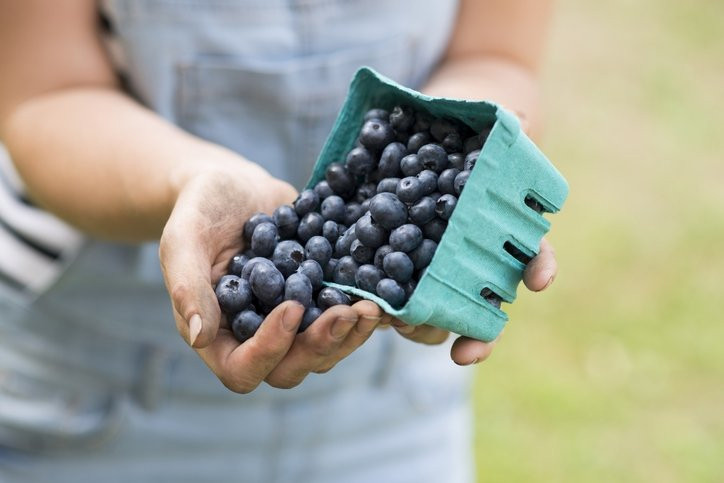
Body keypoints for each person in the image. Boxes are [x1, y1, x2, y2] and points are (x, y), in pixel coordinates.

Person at [0, 0, 557, 481]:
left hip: (390, 411)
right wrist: (191, 178)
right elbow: (44, 94)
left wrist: (482, 169)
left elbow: (495, 54)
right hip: (87, 398)